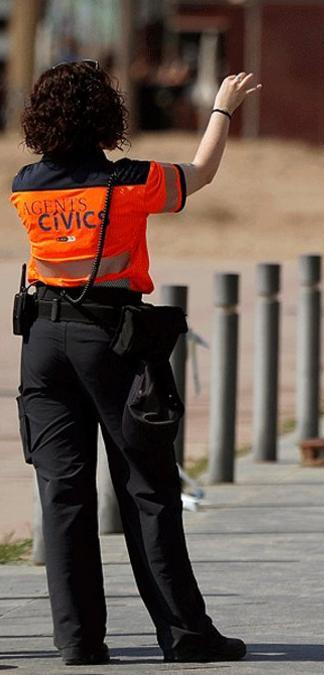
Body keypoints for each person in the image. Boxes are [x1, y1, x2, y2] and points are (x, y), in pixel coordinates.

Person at [10, 61, 259, 666]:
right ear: (107, 116)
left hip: (42, 341)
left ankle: (78, 639)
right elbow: (200, 174)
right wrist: (222, 109)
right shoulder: (128, 180)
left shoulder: (25, 184)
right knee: (148, 490)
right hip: (112, 342)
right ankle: (184, 633)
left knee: (62, 494)